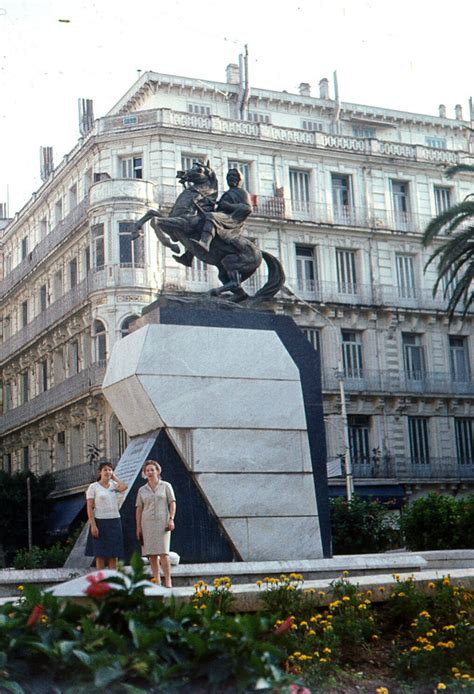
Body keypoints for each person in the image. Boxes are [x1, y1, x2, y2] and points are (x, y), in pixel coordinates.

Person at [135, 460, 176, 587]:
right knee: (151, 554)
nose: (150, 472)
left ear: (158, 471)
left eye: (152, 470)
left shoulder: (166, 486)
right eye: (147, 470)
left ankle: (168, 579)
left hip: (162, 522)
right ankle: (157, 581)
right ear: (144, 473)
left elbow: (172, 502)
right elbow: (139, 508)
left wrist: (171, 518)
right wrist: (138, 527)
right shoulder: (142, 490)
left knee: (163, 553)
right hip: (147, 523)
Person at [192, 167, 252, 252]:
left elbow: (248, 208)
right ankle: (188, 255)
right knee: (198, 221)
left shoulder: (242, 192)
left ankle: (205, 243)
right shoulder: (227, 193)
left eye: (234, 175)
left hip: (231, 218)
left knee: (211, 216)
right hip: (222, 216)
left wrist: (229, 206)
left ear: (239, 179)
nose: (231, 177)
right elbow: (220, 208)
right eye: (229, 176)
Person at [85, 462, 128, 569]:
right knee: (100, 554)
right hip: (100, 521)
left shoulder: (114, 485)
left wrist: (114, 477)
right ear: (100, 472)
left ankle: (113, 579)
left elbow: (124, 487)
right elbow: (89, 507)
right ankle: (102, 580)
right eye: (105, 470)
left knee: (114, 554)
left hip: (114, 521)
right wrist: (93, 525)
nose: (107, 472)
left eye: (109, 469)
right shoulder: (93, 487)